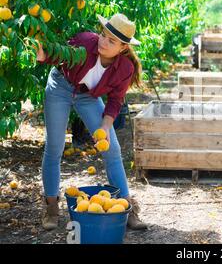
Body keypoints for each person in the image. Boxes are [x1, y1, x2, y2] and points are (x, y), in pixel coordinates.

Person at [37, 13, 147, 230]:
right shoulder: (85, 41)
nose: (103, 42)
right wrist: (40, 51)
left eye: (112, 41)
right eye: (104, 35)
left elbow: (115, 100)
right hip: (60, 85)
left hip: (88, 96)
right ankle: (51, 207)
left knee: (112, 149)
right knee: (55, 147)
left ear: (123, 48)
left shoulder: (125, 68)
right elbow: (58, 54)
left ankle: (127, 208)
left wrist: (105, 126)